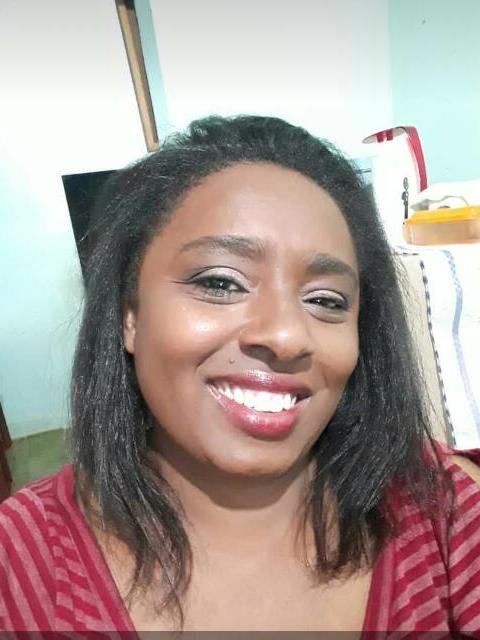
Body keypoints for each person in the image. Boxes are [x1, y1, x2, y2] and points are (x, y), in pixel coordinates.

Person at [1, 115, 480, 634]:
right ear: (129, 316)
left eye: (325, 300)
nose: (286, 336)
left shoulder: (444, 513)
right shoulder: (20, 565)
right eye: (221, 283)